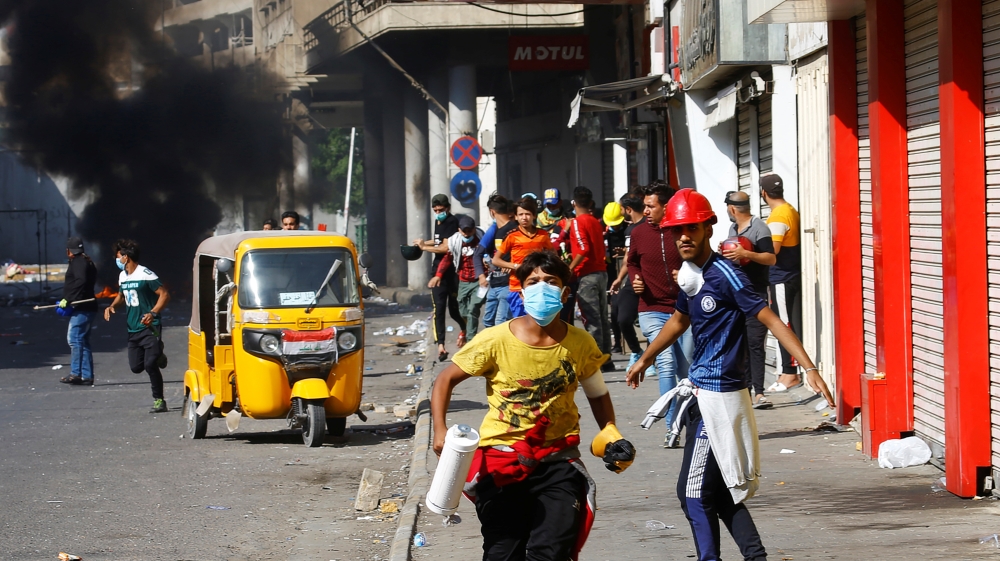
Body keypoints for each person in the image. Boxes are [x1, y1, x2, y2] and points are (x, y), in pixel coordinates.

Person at [626, 189, 834, 561]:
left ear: (708, 228)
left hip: (718, 401)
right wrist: (645, 357)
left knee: (692, 494)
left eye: (691, 228)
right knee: (720, 493)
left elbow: (771, 319)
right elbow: (679, 320)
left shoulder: (727, 275)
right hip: (699, 394)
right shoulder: (691, 275)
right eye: (677, 231)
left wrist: (809, 367)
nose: (683, 237)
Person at [432, 250, 635, 561]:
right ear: (522, 291)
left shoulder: (581, 343)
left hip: (558, 461)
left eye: (551, 281)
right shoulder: (495, 340)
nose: (542, 287)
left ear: (565, 293)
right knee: (503, 552)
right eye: (533, 281)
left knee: (552, 551)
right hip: (501, 461)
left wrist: (611, 433)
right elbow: (445, 380)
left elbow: (597, 394)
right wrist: (440, 429)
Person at [627, 182, 693, 443]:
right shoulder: (638, 233)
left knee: (687, 367)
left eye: (650, 206)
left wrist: (686, 273)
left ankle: (690, 422)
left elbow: (700, 260)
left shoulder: (682, 230)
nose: (645, 211)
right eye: (644, 206)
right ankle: (671, 428)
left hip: (683, 309)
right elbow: (632, 262)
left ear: (666, 207)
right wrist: (636, 279)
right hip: (652, 309)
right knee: (666, 364)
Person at [722, 191, 776, 409]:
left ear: (732, 209)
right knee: (739, 343)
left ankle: (759, 393)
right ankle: (744, 390)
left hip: (756, 293)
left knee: (755, 343)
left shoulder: (759, 228)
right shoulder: (732, 229)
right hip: (736, 294)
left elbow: (771, 258)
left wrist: (747, 254)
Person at [104, 239, 172, 413]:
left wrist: (153, 313)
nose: (117, 260)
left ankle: (159, 400)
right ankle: (158, 353)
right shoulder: (123, 276)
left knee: (150, 365)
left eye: (118, 256)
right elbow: (121, 295)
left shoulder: (146, 274)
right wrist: (112, 306)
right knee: (136, 367)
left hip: (150, 327)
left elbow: (164, 294)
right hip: (133, 329)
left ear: (126, 257)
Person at [760, 174, 803, 392]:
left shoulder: (778, 216)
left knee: (784, 325)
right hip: (789, 276)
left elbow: (773, 251)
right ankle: (787, 371)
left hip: (781, 278)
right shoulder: (790, 210)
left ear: (763, 193)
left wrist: (747, 252)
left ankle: (790, 373)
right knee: (786, 323)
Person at [414, 193, 465, 362]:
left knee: (455, 309)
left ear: (448, 208)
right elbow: (438, 241)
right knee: (439, 309)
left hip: (451, 273)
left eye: (441, 210)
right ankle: (441, 345)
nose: (438, 213)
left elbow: (445, 248)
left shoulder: (451, 222)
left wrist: (424, 248)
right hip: (437, 271)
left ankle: (465, 331)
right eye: (435, 210)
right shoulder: (438, 222)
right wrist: (422, 244)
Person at [568, 187, 612, 363]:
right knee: (602, 318)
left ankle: (595, 359)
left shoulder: (577, 222)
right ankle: (606, 357)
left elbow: (583, 248)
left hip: (587, 274)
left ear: (574, 203)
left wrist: (571, 267)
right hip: (601, 272)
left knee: (591, 319)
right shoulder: (595, 221)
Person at [609, 191, 650, 375]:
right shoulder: (629, 230)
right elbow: (628, 258)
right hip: (633, 281)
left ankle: (650, 358)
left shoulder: (648, 225)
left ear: (628, 209)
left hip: (650, 281)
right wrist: (619, 279)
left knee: (650, 322)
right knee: (622, 318)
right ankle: (636, 351)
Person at [493, 197, 554, 319]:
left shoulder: (543, 235)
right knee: (521, 322)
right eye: (520, 214)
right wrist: (515, 266)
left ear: (534, 216)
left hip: (538, 286)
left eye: (528, 214)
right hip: (517, 287)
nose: (524, 217)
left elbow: (553, 255)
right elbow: (496, 260)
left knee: (538, 320)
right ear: (515, 217)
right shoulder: (512, 236)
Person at [433, 215, 485, 342]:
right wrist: (438, 275)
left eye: (469, 231)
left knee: (473, 309)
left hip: (479, 281)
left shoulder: (481, 239)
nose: (466, 234)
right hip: (463, 281)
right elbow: (447, 259)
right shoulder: (455, 241)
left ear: (474, 229)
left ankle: (471, 340)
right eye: (464, 231)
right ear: (459, 230)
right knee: (462, 311)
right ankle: (467, 330)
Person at [58, 236, 98, 386]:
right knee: (82, 340)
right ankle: (86, 375)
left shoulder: (78, 262)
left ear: (69, 251)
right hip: (87, 306)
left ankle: (76, 373)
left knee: (74, 339)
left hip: (83, 308)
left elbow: (81, 281)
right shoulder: (86, 261)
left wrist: (68, 298)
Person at [475, 195, 517, 328]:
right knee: (488, 322)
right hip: (494, 283)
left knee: (501, 323)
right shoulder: (495, 230)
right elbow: (480, 253)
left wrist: (511, 265)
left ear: (492, 212)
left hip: (508, 284)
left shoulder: (514, 230)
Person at [603, 202, 627, 354]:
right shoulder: (603, 232)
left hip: (626, 273)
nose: (616, 227)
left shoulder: (628, 229)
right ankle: (617, 342)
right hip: (611, 274)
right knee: (614, 311)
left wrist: (625, 252)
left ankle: (629, 343)